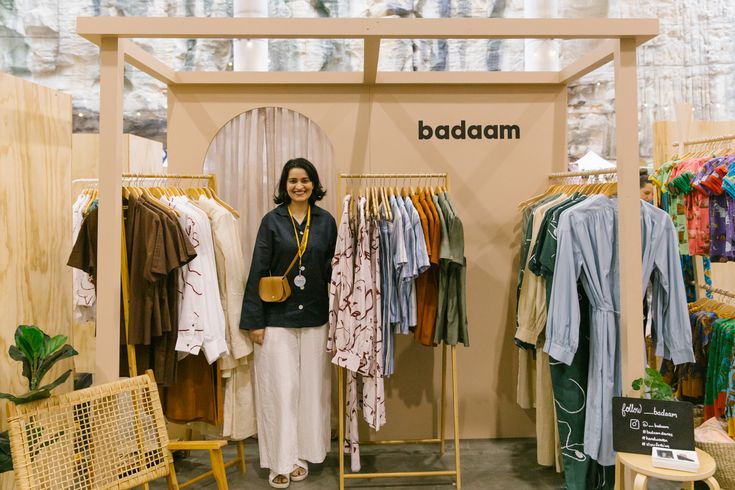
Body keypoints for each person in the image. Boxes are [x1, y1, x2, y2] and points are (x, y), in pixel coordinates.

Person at [240, 158, 337, 489]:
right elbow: (257, 270)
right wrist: (255, 322)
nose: (300, 186)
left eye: (305, 180)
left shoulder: (325, 221)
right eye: (293, 181)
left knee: (310, 392)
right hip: (276, 318)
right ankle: (278, 461)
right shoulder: (272, 221)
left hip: (314, 317)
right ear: (284, 186)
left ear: (314, 184)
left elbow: (331, 271)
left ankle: (300, 455)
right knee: (280, 391)